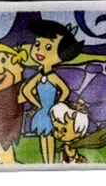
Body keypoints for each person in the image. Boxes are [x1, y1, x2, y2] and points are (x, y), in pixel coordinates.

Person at [22, 20, 84, 164]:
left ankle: (50, 163)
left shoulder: (52, 76)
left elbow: (65, 91)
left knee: (50, 138)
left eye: (48, 47)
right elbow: (26, 90)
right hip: (43, 112)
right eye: (37, 44)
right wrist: (38, 105)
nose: (40, 50)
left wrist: (58, 107)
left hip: (51, 112)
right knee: (43, 137)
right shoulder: (40, 76)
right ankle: (46, 162)